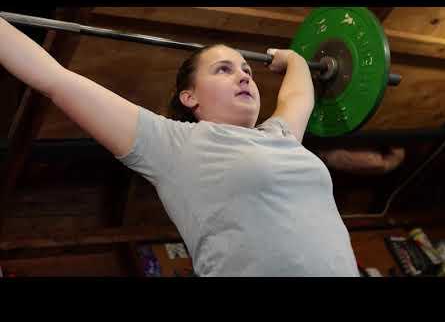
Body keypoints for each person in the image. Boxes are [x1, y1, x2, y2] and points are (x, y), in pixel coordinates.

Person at [0, 16, 366, 276]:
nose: (243, 74)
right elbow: (54, 78)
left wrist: (295, 59)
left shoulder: (280, 135)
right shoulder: (174, 145)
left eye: (247, 70)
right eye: (223, 69)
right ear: (189, 97)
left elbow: (299, 93)